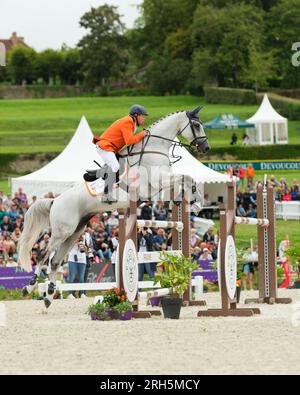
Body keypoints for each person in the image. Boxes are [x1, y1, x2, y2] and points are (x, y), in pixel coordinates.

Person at [84, 105, 150, 203]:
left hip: (110, 148)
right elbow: (129, 140)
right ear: (136, 115)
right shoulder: (128, 121)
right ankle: (106, 196)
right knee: (115, 167)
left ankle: (98, 172)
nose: (144, 119)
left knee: (118, 166)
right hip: (106, 146)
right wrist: (142, 134)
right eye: (143, 116)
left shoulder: (132, 122)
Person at [67, 234, 88, 299]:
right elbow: (67, 247)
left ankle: (82, 293)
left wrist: (83, 246)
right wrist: (76, 241)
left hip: (82, 259)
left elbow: (87, 250)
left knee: (81, 277)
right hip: (72, 258)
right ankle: (70, 294)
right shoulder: (72, 235)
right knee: (72, 276)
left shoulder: (86, 237)